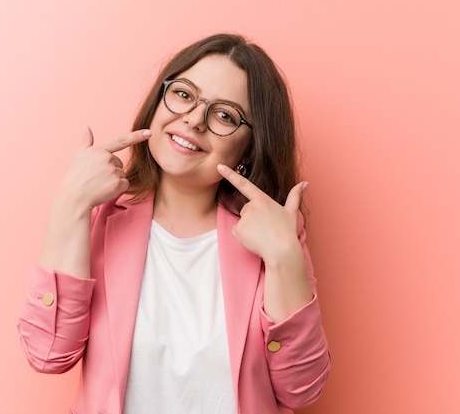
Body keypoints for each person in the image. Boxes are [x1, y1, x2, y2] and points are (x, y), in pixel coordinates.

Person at [17, 33, 330, 414]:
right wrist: (70, 206)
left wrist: (284, 258)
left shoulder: (276, 235)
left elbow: (301, 390)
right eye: (184, 94)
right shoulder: (100, 215)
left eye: (225, 115)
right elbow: (47, 354)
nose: (194, 119)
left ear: (249, 148)